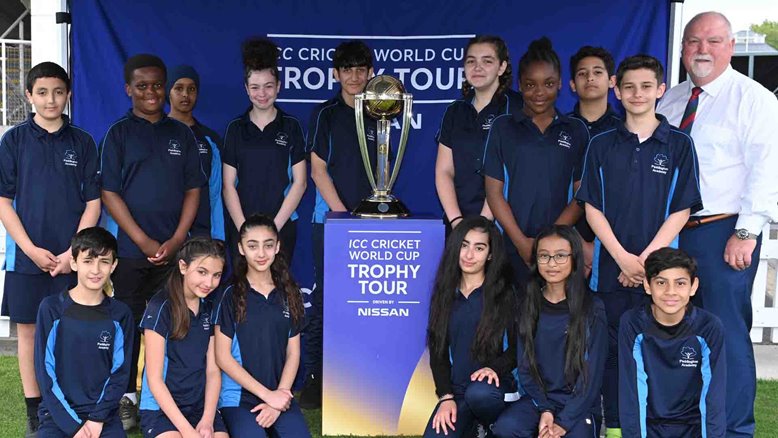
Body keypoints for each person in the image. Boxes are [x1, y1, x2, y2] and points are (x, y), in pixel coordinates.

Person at [655, 11, 778, 437]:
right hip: (672, 235)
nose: (701, 49)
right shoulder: (669, 101)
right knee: (677, 334)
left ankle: (735, 430)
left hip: (723, 233)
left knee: (724, 332)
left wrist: (746, 232)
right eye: (693, 41)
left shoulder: (755, 99)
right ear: (683, 48)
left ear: (730, 46)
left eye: (712, 41)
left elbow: (767, 169)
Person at [575, 55, 702, 437]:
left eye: (647, 86)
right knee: (613, 355)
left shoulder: (680, 144)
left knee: (660, 354)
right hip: (611, 270)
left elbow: (682, 208)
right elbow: (592, 208)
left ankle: (661, 427)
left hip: (661, 276)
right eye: (628, 86)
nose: (637, 94)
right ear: (616, 90)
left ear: (661, 91)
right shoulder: (600, 144)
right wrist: (621, 258)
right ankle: (614, 427)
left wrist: (646, 263)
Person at [100, 53, 206, 430]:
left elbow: (194, 188)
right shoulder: (118, 133)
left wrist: (177, 238)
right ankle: (127, 399)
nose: (151, 92)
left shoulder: (181, 134)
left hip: (175, 252)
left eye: (157, 85)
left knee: (175, 325)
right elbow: (109, 192)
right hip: (131, 252)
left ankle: (172, 399)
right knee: (127, 324)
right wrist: (143, 240)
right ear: (128, 89)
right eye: (141, 86)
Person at [0, 61, 101, 436]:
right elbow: (3, 202)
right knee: (28, 333)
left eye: (58, 92)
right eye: (41, 92)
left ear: (68, 94)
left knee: (71, 330)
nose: (50, 100)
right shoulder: (13, 141)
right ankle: (35, 410)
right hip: (27, 260)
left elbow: (93, 203)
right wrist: (28, 249)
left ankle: (71, 404)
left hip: (70, 260)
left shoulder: (84, 142)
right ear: (28, 96)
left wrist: (73, 255)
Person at [303, 39, 377, 408]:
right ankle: (316, 378)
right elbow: (317, 170)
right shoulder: (325, 114)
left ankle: (361, 380)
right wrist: (344, 217)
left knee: (365, 300)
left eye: (360, 69)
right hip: (330, 221)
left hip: (373, 222)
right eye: (346, 69)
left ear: (371, 73)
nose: (354, 76)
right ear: (336, 74)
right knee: (326, 299)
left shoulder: (383, 111)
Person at [484, 37, 590, 287]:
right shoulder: (503, 127)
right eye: (530, 85)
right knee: (513, 320)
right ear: (520, 85)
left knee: (557, 321)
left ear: (561, 84)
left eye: (549, 84)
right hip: (512, 246)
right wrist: (522, 242)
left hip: (562, 249)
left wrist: (548, 243)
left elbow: (581, 194)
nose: (539, 93)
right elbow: (493, 192)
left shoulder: (576, 130)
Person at [492, 225, 607, 438]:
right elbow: (525, 365)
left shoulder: (592, 307)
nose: (552, 263)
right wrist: (544, 408)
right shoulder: (527, 303)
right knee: (506, 428)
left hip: (577, 405)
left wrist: (563, 423)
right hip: (538, 401)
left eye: (561, 256)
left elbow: (591, 376)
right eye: (544, 256)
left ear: (574, 259)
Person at [213, 214, 310, 437]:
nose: (261, 253)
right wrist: (268, 396)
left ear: (277, 247)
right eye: (252, 245)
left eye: (268, 245)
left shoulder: (289, 292)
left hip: (280, 394)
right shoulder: (229, 295)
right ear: (240, 248)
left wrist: (280, 396)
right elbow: (222, 357)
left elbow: (293, 352)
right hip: (238, 398)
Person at [423, 216, 518, 437]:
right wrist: (446, 397)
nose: (469, 255)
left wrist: (494, 368)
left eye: (479, 248)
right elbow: (438, 353)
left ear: (490, 255)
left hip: (495, 389)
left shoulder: (504, 294)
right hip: (458, 394)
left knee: (480, 394)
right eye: (464, 245)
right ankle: (474, 429)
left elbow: (518, 349)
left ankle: (493, 427)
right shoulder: (445, 292)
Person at [34, 227, 133, 437]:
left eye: (104, 261)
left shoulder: (120, 314)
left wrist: (97, 419)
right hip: (57, 416)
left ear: (113, 265)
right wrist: (74, 427)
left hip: (103, 416)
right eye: (88, 261)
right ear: (73, 263)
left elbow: (120, 374)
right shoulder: (51, 308)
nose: (96, 270)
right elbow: (45, 372)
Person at [619, 247, 726, 438]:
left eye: (680, 283)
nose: (670, 292)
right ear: (647, 285)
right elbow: (632, 393)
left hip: (694, 428)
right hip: (649, 427)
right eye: (661, 282)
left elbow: (713, 397)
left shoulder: (708, 327)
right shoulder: (633, 324)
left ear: (693, 287)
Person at [222, 38, 306, 263]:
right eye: (255, 87)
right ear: (246, 89)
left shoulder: (291, 126)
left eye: (268, 86)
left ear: (278, 86)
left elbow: (300, 182)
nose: (262, 93)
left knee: (279, 289)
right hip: (242, 226)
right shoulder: (235, 128)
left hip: (281, 226)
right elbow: (228, 184)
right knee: (242, 292)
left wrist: (273, 230)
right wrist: (244, 231)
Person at [139, 237, 228, 438]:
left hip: (199, 407)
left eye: (216, 275)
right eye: (202, 272)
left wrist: (207, 420)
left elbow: (213, 371)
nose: (209, 283)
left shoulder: (210, 308)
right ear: (183, 267)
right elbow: (154, 379)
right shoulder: (160, 307)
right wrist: (187, 432)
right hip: (162, 409)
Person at [435, 36, 522, 231]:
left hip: (505, 227)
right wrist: (457, 221)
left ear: (501, 67)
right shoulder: (455, 111)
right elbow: (444, 171)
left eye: (487, 61)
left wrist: (482, 225)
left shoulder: (518, 108)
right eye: (471, 61)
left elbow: (509, 172)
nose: (477, 67)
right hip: (460, 224)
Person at [166, 65, 226, 241]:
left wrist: (217, 236)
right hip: (163, 233)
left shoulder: (210, 139)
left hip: (202, 234)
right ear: (167, 92)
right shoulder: (155, 134)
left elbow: (215, 192)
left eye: (191, 89)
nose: (185, 94)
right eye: (178, 88)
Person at [567, 46, 621, 136]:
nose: (590, 78)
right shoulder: (559, 127)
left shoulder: (624, 129)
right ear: (573, 85)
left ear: (612, 81)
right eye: (582, 73)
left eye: (597, 72)